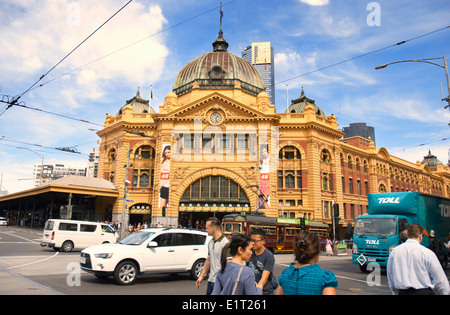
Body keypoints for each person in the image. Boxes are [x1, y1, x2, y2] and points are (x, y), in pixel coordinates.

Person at [387, 224, 449, 295]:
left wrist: (395, 292)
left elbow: (391, 277)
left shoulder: (395, 252)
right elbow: (440, 280)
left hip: (403, 292)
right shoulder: (427, 253)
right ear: (420, 236)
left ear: (408, 235)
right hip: (424, 292)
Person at [196, 217, 229, 295]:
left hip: (221, 281)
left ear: (213, 228)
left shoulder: (226, 242)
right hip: (211, 280)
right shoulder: (211, 242)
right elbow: (208, 260)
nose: (205, 230)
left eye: (207, 228)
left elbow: (229, 264)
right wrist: (201, 276)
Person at [247, 228, 276, 295]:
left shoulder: (269, 256)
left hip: (265, 291)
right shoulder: (250, 253)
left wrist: (258, 291)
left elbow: (263, 280)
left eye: (255, 241)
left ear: (263, 241)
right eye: (251, 240)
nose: (253, 243)